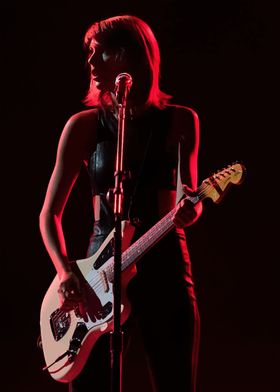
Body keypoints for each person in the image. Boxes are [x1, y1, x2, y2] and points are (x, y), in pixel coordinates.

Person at [39, 14, 203, 392]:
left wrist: (191, 208)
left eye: (101, 53)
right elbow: (49, 214)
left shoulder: (181, 121)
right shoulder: (83, 126)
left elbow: (188, 197)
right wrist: (66, 273)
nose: (91, 64)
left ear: (132, 55)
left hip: (164, 266)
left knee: (175, 380)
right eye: (90, 54)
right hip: (97, 274)